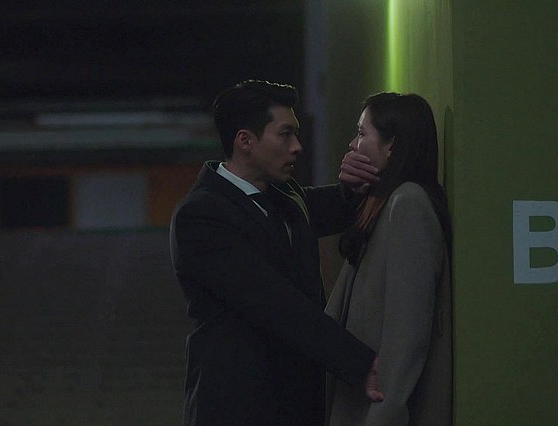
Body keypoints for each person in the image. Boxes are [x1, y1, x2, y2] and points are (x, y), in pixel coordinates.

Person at [169, 80, 383, 426]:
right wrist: (359, 363)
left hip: (295, 402)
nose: (297, 147)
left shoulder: (285, 197)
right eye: (285, 134)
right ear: (245, 141)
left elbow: (335, 205)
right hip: (237, 407)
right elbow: (275, 302)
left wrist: (362, 180)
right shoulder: (201, 216)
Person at [325, 92, 453, 425]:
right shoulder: (381, 203)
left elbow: (406, 335)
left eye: (362, 133)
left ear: (392, 145)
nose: (352, 145)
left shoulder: (408, 203)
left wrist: (384, 414)